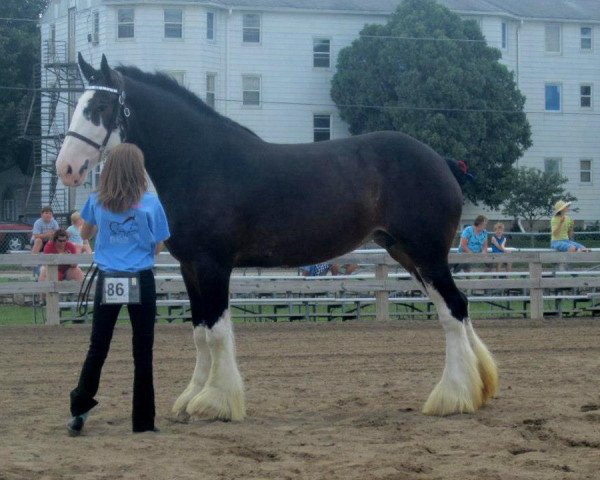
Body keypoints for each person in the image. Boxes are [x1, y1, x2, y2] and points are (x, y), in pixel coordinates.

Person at [67, 143, 170, 436]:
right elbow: (159, 245)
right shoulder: (151, 203)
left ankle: (79, 411)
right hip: (139, 278)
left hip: (109, 278)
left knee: (98, 348)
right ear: (139, 170)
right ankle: (143, 422)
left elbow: (85, 233)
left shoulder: (98, 200)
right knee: (143, 351)